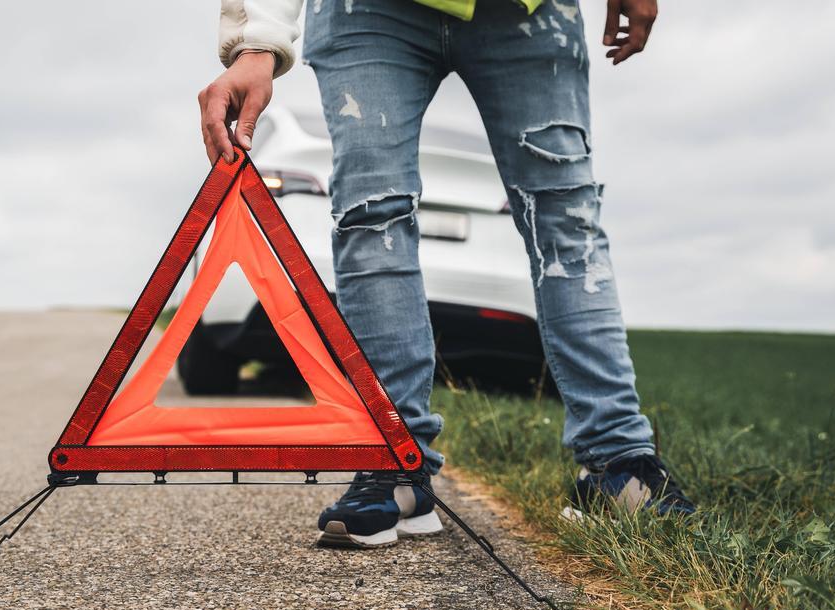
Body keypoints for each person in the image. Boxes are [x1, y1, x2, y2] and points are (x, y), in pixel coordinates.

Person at [199, 0, 695, 548]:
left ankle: (617, 459)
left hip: (528, 10)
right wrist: (256, 42)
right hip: (366, 13)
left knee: (567, 223)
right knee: (371, 217)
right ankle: (396, 459)